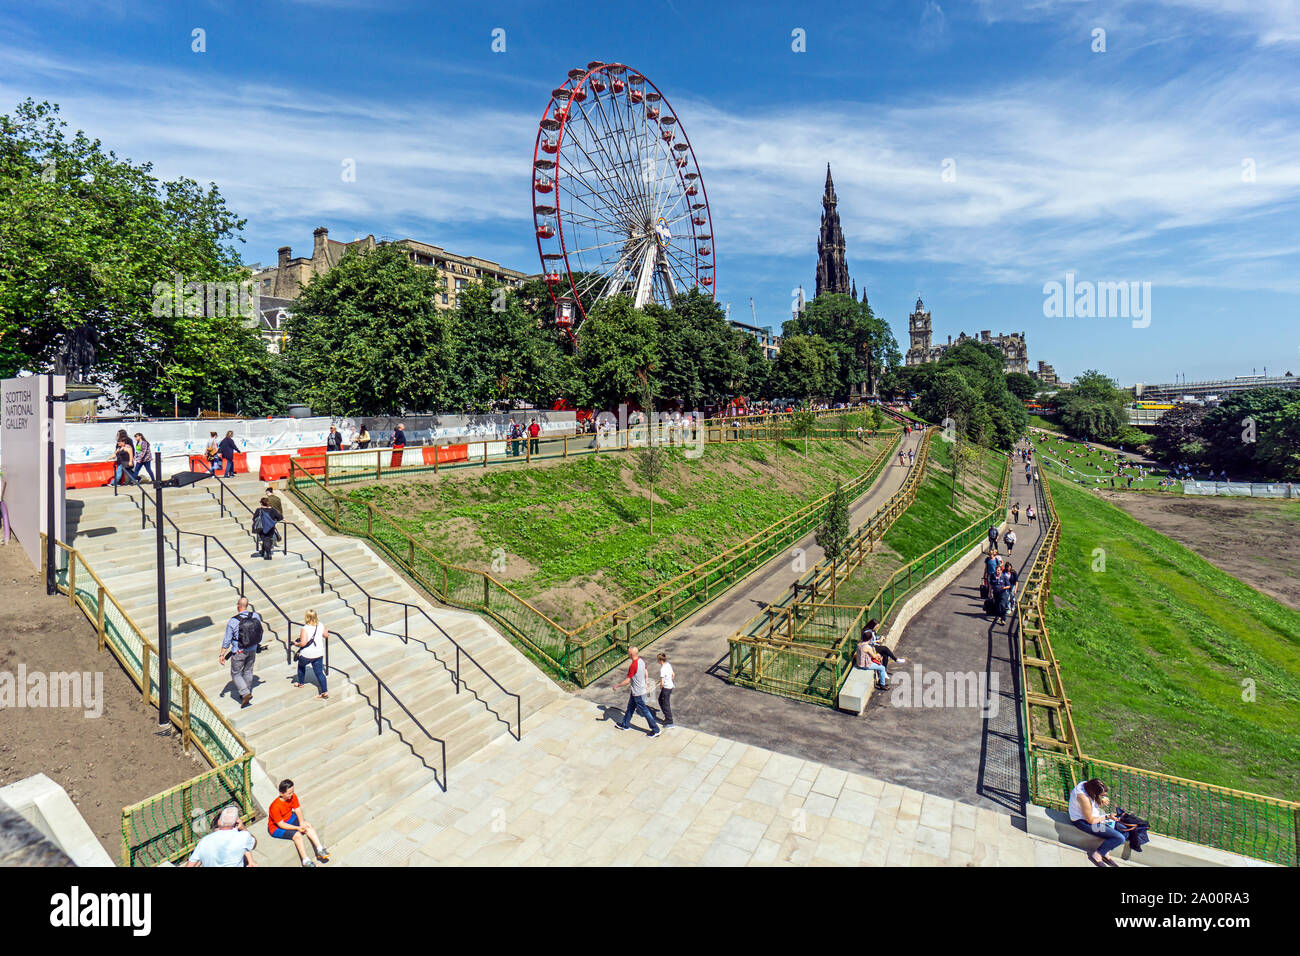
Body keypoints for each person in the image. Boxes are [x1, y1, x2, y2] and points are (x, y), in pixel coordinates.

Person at [268, 779, 330, 867]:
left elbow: (297, 809)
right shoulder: (275, 807)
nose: (292, 794)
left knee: (307, 825)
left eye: (292, 791)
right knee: (297, 835)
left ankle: (320, 849)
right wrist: (297, 828)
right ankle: (306, 861)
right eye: (289, 793)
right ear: (281, 793)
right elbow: (281, 824)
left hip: (289, 818)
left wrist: (301, 822)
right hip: (276, 828)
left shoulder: (293, 797)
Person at [1068, 778, 1125, 866]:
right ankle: (1097, 854)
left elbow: (1093, 805)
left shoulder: (1086, 785)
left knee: (1123, 830)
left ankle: (1105, 851)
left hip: (1093, 817)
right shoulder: (1083, 798)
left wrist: (1101, 802)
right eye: (1100, 794)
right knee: (1119, 838)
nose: (1102, 796)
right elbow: (1091, 820)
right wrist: (1107, 817)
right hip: (1083, 822)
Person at [221, 597, 262, 708]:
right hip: (252, 648)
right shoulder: (255, 616)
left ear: (238, 606)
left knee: (236, 673)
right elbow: (259, 631)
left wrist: (222, 654)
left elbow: (227, 640)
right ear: (247, 605)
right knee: (248, 671)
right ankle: (246, 692)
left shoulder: (233, 621)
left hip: (239, 651)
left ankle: (245, 693)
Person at [612, 646, 661, 737]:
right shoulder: (641, 661)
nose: (627, 653)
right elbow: (646, 672)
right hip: (637, 690)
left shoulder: (633, 665)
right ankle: (625, 724)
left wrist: (617, 685)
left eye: (628, 652)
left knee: (645, 711)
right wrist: (646, 683)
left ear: (631, 654)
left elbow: (627, 680)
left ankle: (656, 729)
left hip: (638, 693)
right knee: (630, 707)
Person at [184, 806, 257, 867]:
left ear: (219, 822)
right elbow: (253, 843)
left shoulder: (204, 842)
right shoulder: (243, 837)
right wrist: (243, 828)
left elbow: (190, 865)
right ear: (236, 822)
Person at [293, 609, 329, 700]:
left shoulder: (305, 628)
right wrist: (325, 629)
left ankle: (301, 683)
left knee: (301, 666)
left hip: (307, 654)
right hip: (318, 653)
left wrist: (296, 644)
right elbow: (326, 635)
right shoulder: (320, 625)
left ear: (307, 617)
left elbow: (303, 643)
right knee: (320, 673)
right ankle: (324, 692)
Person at [656, 651, 675, 729]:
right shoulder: (668, 664)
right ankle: (667, 718)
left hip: (666, 688)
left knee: (665, 704)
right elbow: (673, 674)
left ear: (660, 661)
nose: (657, 661)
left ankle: (670, 721)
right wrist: (670, 680)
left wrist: (661, 686)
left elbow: (662, 681)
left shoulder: (662, 669)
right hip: (670, 686)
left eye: (657, 660)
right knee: (660, 700)